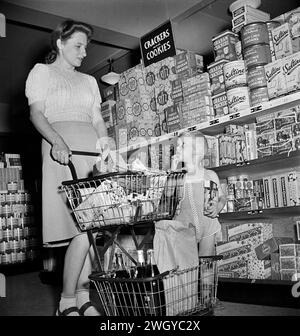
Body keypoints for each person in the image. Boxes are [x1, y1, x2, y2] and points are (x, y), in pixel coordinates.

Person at [25, 19, 108, 316]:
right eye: (78, 45)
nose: (84, 52)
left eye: (86, 46)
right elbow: (37, 114)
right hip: (63, 153)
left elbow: (97, 119)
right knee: (81, 229)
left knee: (90, 229)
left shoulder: (89, 81)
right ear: (60, 42)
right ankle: (66, 301)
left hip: (90, 157)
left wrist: (106, 142)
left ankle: (82, 300)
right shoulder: (42, 73)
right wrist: (57, 142)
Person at [171, 131, 226, 256]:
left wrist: (218, 207)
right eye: (177, 145)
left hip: (208, 225)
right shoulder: (178, 176)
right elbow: (169, 195)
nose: (177, 148)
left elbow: (222, 197)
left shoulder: (210, 175)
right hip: (184, 228)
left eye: (183, 145)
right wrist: (173, 170)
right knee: (187, 267)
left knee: (207, 265)